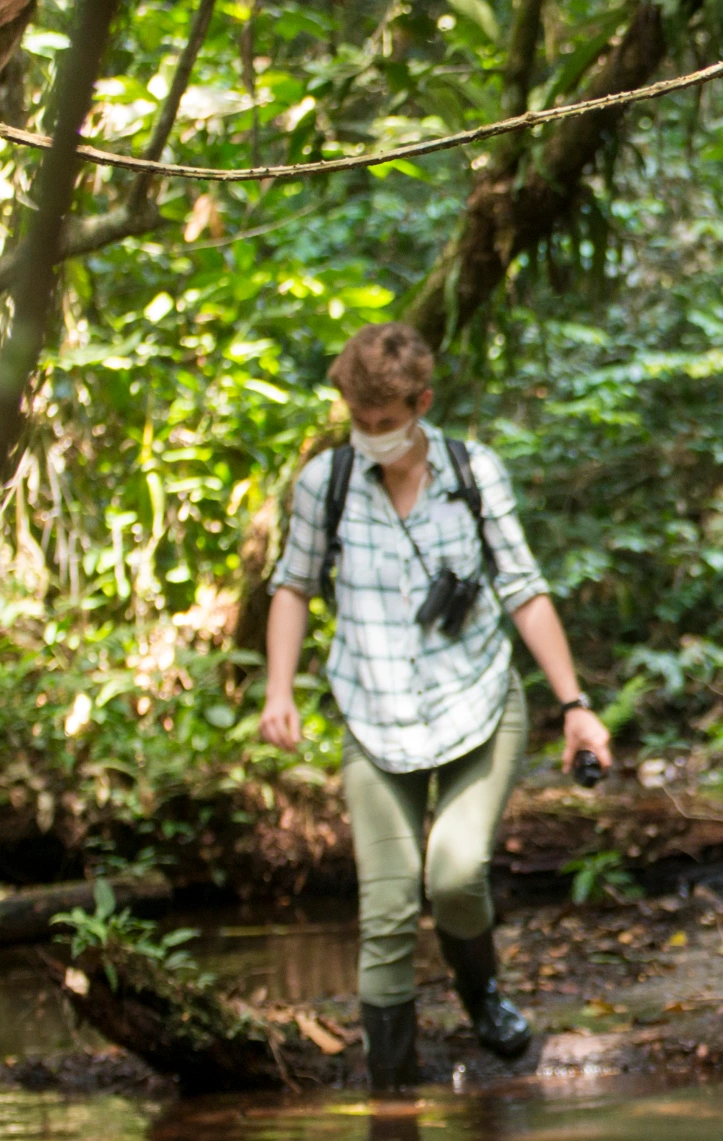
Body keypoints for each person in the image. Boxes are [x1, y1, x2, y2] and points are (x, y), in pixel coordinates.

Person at [258, 322, 612, 1090]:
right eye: (358, 421)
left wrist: (575, 705)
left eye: (385, 424)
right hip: (374, 717)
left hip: (478, 707)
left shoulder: (472, 472)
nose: (371, 437)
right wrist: (278, 691)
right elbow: (292, 584)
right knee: (384, 913)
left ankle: (481, 995)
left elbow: (524, 589)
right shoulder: (329, 481)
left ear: (422, 403)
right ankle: (393, 1105)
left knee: (454, 875)